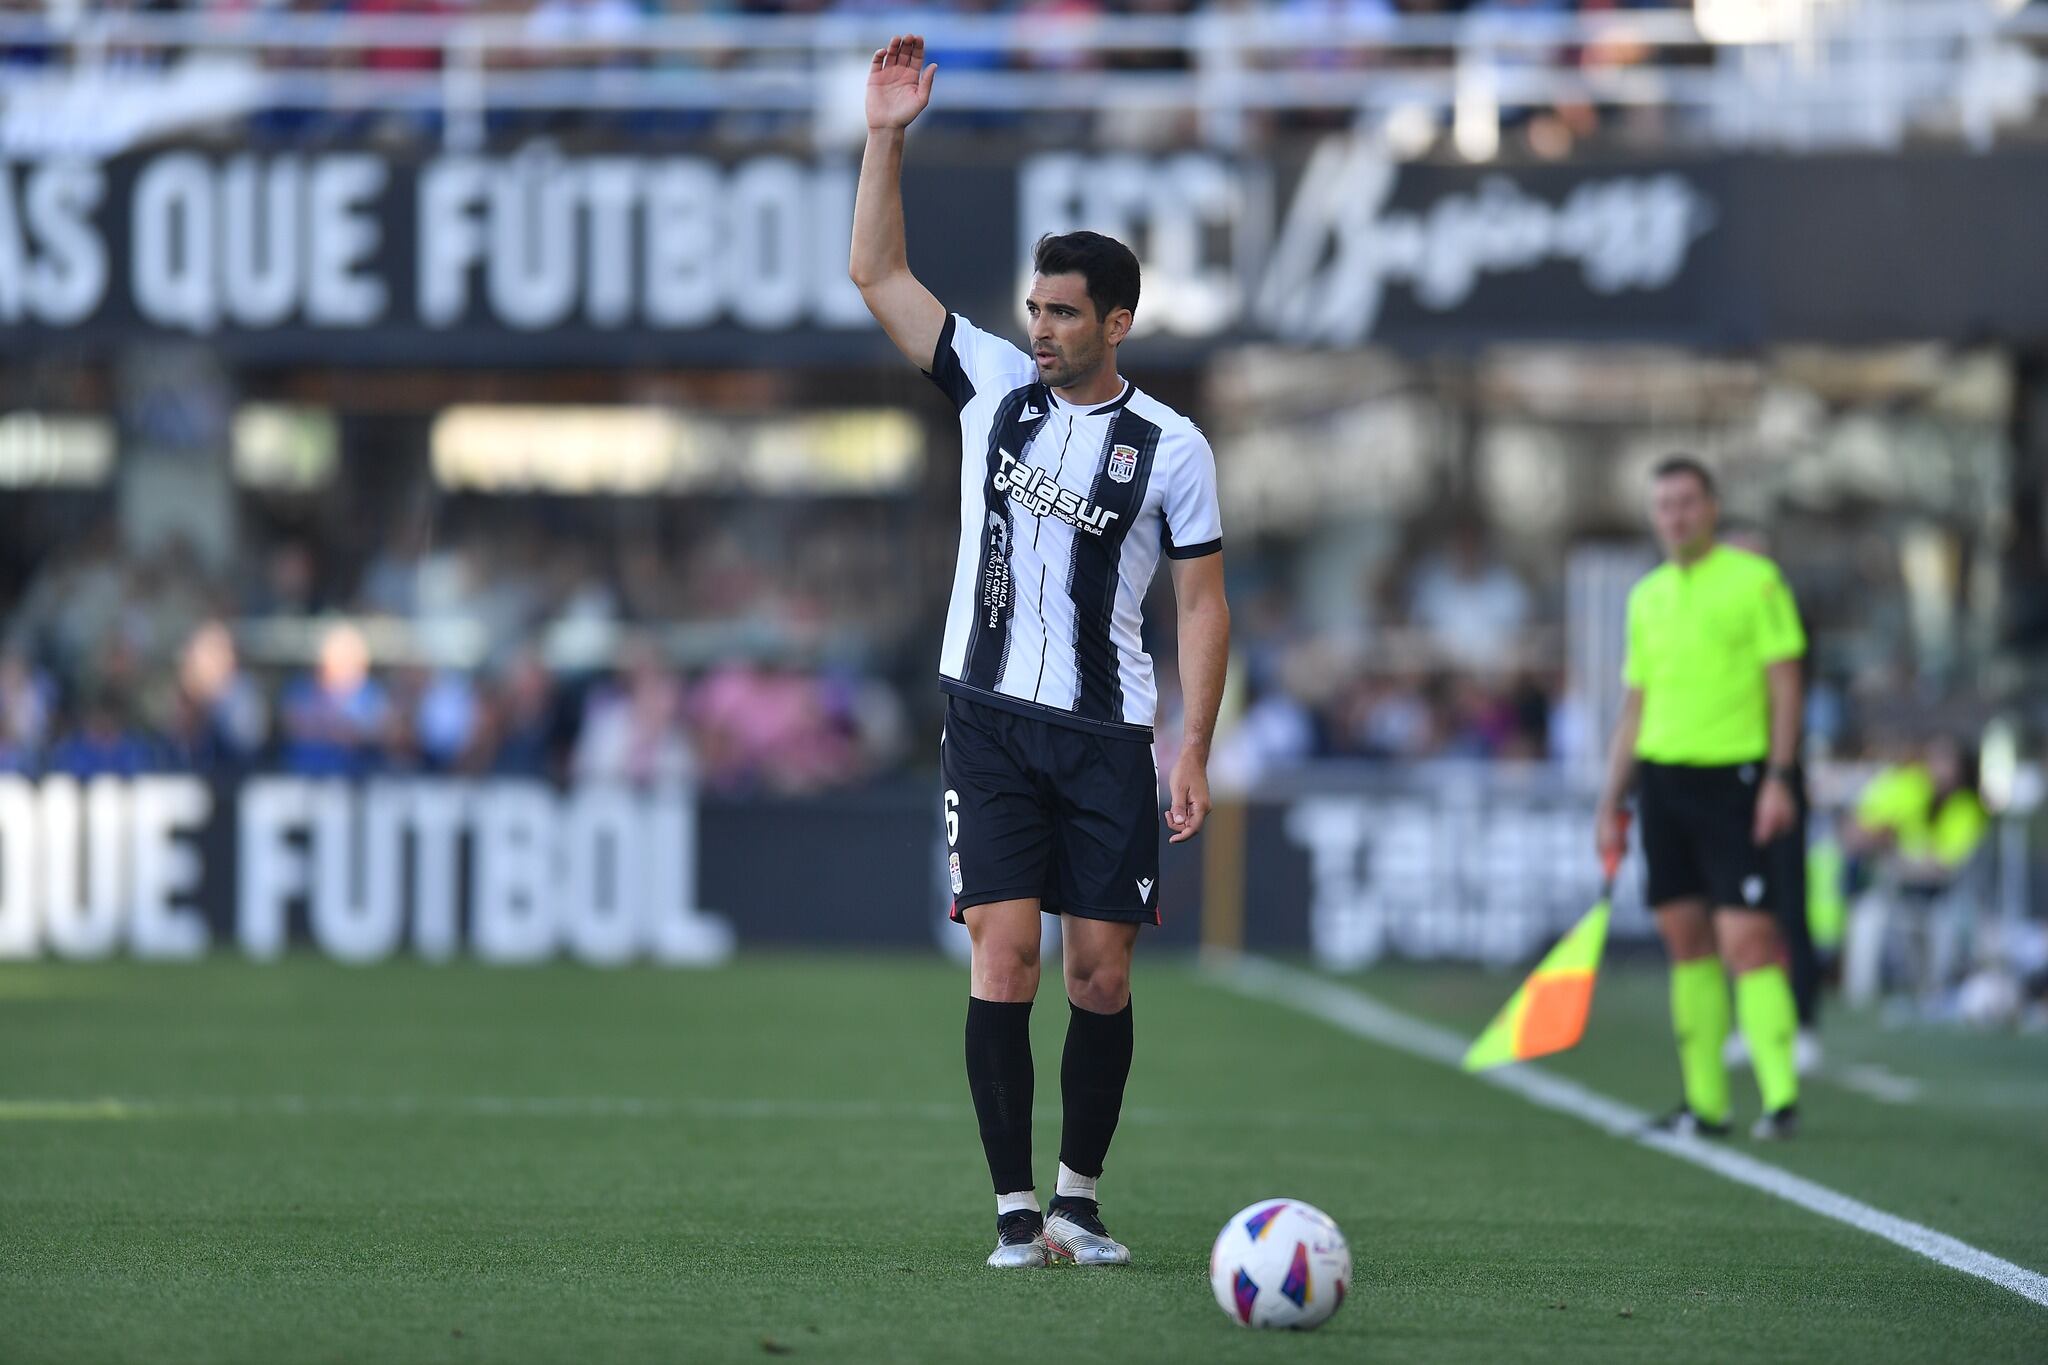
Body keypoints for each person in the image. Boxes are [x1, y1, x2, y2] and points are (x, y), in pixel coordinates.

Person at [850, 34, 1231, 1269]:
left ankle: (1080, 1196)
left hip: (1108, 733)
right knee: (1002, 959)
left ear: (1117, 321)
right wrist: (885, 136)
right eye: (1034, 307)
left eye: (1065, 312)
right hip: (990, 720)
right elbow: (875, 272)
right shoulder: (988, 389)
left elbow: (1203, 605)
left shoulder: (1170, 448)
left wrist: (1191, 744)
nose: (1042, 327)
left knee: (1101, 978)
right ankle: (1015, 1214)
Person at [1594, 457, 1806, 1141]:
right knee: (1685, 939)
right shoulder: (1647, 595)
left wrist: (1779, 775)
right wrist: (1611, 800)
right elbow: (1635, 705)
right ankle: (1705, 1102)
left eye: (1687, 501)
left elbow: (1785, 684)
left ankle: (1779, 1099)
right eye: (1664, 505)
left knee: (1747, 936)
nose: (1676, 515)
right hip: (1663, 781)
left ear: (1712, 507)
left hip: (1736, 780)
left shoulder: (1757, 582)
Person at [1719, 520, 1822, 1072]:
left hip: (1775, 773)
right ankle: (1749, 1020)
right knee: (1736, 907)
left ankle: (1802, 1022)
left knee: (1788, 899)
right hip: (1725, 775)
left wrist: (1779, 775)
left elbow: (1793, 694)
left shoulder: (1785, 618)